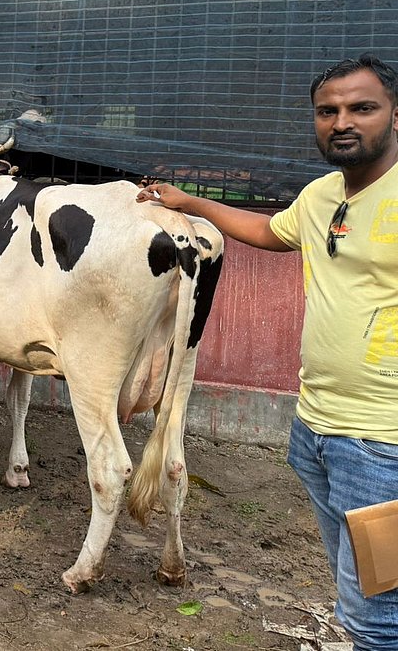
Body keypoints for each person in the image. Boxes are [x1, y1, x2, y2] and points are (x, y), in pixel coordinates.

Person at [138, 54, 398, 650]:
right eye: (327, 111)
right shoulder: (322, 195)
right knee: (360, 590)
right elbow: (268, 232)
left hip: (383, 446)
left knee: (379, 616)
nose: (342, 122)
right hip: (317, 431)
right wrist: (192, 203)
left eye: (362, 107)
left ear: (394, 115)